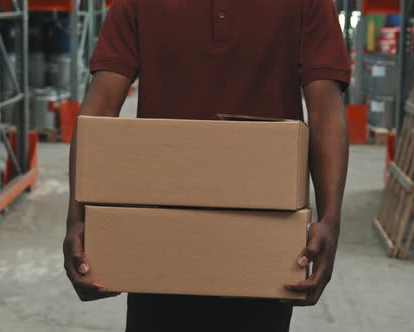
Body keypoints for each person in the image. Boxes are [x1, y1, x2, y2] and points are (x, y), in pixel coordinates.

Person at [63, 1, 350, 331]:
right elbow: (99, 106)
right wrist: (76, 218)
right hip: (159, 234)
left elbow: (326, 106)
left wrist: (331, 219)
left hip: (263, 236)